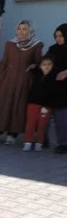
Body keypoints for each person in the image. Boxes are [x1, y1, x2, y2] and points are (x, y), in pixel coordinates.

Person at [0, 20, 42, 145]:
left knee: (18, 106)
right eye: (19, 28)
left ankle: (13, 134)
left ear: (30, 31)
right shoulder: (10, 44)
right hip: (7, 79)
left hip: (23, 80)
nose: (21, 31)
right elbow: (5, 62)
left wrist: (34, 66)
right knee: (3, 104)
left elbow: (38, 62)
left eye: (24, 29)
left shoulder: (36, 45)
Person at [23, 56, 56, 151]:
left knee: (42, 125)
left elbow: (55, 92)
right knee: (30, 124)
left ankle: (39, 143)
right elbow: (31, 69)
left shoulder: (54, 77)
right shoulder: (36, 74)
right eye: (44, 65)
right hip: (33, 103)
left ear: (53, 66)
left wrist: (49, 105)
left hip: (46, 106)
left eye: (49, 65)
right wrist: (33, 66)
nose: (46, 67)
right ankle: (27, 142)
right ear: (40, 66)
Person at [47, 24, 67, 153]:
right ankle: (46, 140)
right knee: (55, 116)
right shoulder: (52, 49)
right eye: (56, 36)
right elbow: (45, 63)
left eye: (61, 36)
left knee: (63, 116)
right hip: (55, 88)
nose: (58, 39)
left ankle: (64, 143)